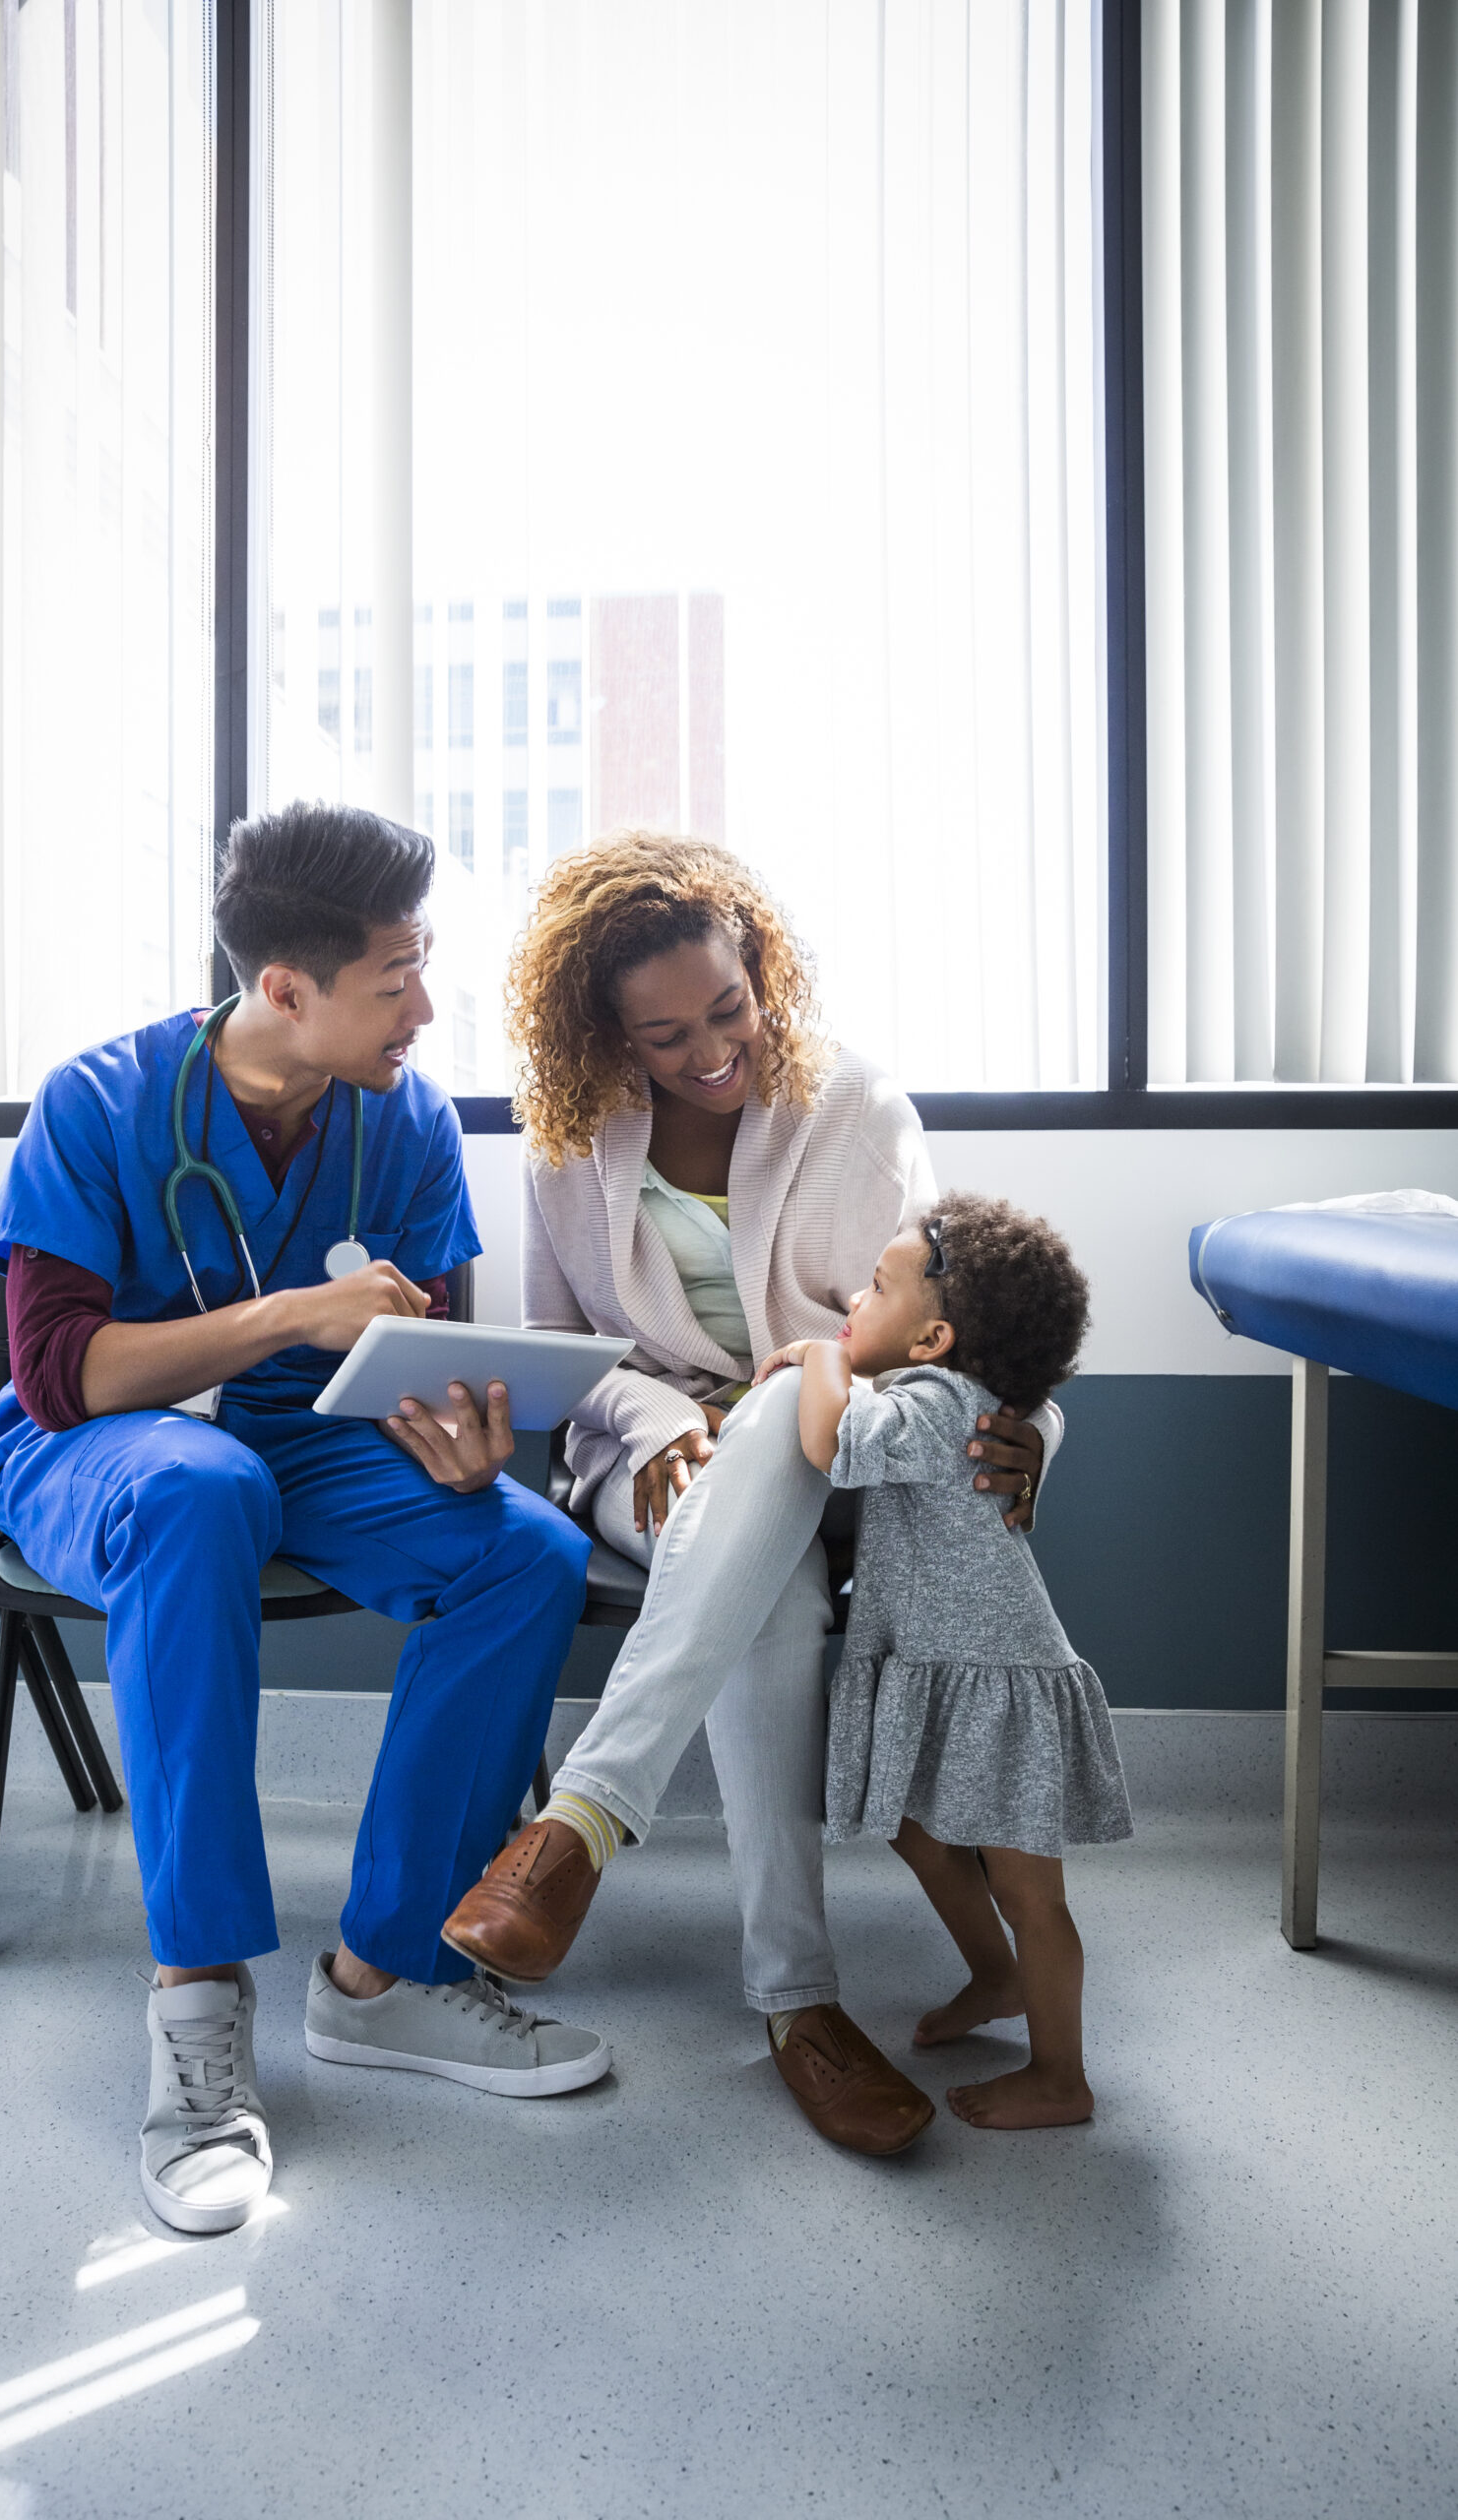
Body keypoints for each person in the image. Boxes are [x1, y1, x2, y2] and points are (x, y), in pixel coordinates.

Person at [0, 801, 607, 2239]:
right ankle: (197, 2007)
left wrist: (455, 1437)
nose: (424, 1010)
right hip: (103, 1454)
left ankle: (390, 1977)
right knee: (203, 1491)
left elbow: (418, 1345)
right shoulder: (98, 1100)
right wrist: (290, 1314)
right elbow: (62, 1373)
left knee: (525, 1550)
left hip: (307, 1440)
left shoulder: (409, 1120)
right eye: (396, 978)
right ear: (283, 989)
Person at [442, 833, 1061, 2156]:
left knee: (791, 1397)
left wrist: (1031, 1431)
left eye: (726, 1008)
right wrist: (666, 1419)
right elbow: (566, 1368)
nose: (707, 1049)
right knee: (763, 1591)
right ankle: (799, 2005)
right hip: (655, 1458)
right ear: (604, 1034)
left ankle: (574, 1828)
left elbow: (958, 1324)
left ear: (758, 968)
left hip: (843, 1452)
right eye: (662, 1036)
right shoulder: (565, 1142)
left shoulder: (855, 1110)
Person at [761, 1190, 1130, 2129]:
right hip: (946, 1664)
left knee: (1028, 1890)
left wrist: (820, 1355)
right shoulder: (947, 1394)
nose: (854, 1295)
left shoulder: (929, 1404)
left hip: (991, 1683)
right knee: (917, 1829)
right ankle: (994, 1976)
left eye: (877, 1288)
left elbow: (831, 1444)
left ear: (931, 1339)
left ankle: (1060, 2076)